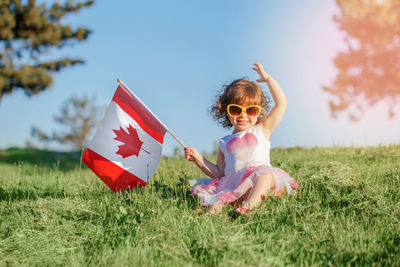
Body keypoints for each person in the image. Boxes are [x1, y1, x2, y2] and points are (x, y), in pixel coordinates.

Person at [184, 62, 299, 217]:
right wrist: (198, 158)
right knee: (218, 201)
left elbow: (282, 103)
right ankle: (208, 220)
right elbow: (219, 172)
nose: (243, 115)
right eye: (236, 110)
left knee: (265, 175)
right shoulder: (225, 141)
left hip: (257, 184)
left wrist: (268, 79)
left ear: (259, 112)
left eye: (251, 110)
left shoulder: (262, 129)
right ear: (226, 111)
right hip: (233, 186)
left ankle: (247, 208)